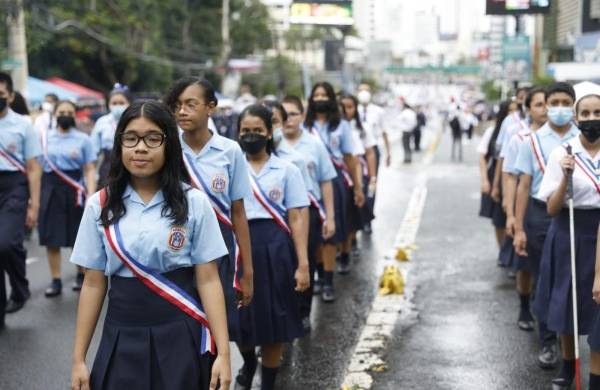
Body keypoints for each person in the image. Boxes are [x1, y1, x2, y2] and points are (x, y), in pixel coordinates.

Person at [69, 100, 231, 390]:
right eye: (131, 138)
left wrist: (225, 355)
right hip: (120, 334)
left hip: (180, 332)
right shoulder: (99, 206)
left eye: (153, 138)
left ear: (169, 144)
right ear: (119, 144)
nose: (140, 147)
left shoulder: (193, 203)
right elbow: (93, 283)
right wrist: (79, 359)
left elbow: (208, 279)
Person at [164, 77, 254, 345]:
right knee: (183, 325)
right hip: (177, 247)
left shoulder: (230, 151)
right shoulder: (167, 148)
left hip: (220, 252)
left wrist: (247, 272)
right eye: (178, 105)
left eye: (190, 104)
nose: (182, 111)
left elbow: (238, 212)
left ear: (210, 108)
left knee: (218, 328)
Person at [234, 104, 309, 390]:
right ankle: (248, 361)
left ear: (269, 133)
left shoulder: (287, 169)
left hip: (276, 249)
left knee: (274, 320)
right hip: (239, 248)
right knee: (240, 317)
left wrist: (302, 264)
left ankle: (267, 383)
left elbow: (297, 217)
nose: (251, 136)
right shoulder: (230, 167)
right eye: (245, 131)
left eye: (257, 131)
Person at [534, 93, 600, 389]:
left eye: (597, 112)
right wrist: (566, 176)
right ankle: (568, 364)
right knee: (567, 298)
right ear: (576, 117)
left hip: (599, 233)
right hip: (569, 228)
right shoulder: (563, 151)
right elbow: (551, 207)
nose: (591, 118)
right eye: (584, 113)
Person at [514, 82, 580, 369]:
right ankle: (547, 342)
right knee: (546, 278)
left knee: (574, 279)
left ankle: (574, 345)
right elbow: (523, 184)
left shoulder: (586, 137)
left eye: (567, 102)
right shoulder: (533, 140)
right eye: (555, 102)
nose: (561, 108)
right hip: (540, 213)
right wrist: (517, 227)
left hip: (577, 214)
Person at [281, 95, 337, 331]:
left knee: (306, 262)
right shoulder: (272, 142)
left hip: (307, 212)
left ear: (303, 116)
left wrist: (330, 217)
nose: (288, 119)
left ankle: (304, 311)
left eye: (293, 114)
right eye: (283, 115)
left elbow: (325, 181)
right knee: (282, 264)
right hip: (279, 213)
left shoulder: (314, 144)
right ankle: (285, 311)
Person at [303, 82, 362, 301]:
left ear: (330, 98)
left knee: (330, 232)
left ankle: (328, 281)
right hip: (309, 184)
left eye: (323, 95)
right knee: (314, 235)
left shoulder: (341, 126)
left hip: (335, 182)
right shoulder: (304, 126)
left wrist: (357, 187)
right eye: (316, 95)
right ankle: (318, 274)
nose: (320, 98)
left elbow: (349, 158)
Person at [499, 87, 548, 331]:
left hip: (553, 209)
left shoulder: (566, 138)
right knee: (526, 263)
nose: (545, 109)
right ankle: (524, 306)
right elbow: (510, 176)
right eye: (538, 104)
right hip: (526, 206)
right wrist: (510, 213)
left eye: (546, 104)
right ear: (528, 109)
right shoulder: (520, 138)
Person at [37, 100, 96, 297]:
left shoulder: (83, 139)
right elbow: (36, 169)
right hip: (50, 188)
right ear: (55, 114)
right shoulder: (44, 138)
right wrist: (34, 198)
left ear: (75, 115)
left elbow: (89, 168)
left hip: (75, 190)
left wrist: (91, 195)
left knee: (77, 234)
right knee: (51, 236)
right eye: (62, 111)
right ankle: (55, 280)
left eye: (70, 112)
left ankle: (80, 274)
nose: (65, 115)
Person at [0, 72, 42, 323]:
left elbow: (34, 167)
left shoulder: (24, 125)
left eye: (1, 95)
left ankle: (20, 288)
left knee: (5, 244)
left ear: (11, 96)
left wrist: (34, 205)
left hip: (14, 186)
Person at [339, 94, 376, 260]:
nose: (346, 110)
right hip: (340, 172)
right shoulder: (333, 128)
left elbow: (369, 152)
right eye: (343, 107)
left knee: (355, 208)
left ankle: (352, 241)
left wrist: (373, 176)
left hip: (358, 170)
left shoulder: (361, 128)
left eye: (350, 107)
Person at [477, 101, 512, 252]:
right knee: (499, 218)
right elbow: (482, 157)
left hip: (513, 177)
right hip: (496, 177)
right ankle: (502, 252)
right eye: (510, 111)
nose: (514, 115)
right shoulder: (492, 132)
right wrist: (485, 181)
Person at [357, 83, 391, 233]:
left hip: (372, 151)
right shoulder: (353, 110)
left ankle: (368, 219)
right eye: (361, 90)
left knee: (371, 184)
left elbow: (384, 132)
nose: (364, 93)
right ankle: (359, 218)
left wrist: (389, 152)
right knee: (358, 185)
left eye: (366, 90)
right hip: (357, 152)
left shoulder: (378, 111)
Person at [91, 83, 131, 187]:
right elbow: (93, 152)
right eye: (114, 103)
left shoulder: (134, 121)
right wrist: (93, 174)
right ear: (109, 104)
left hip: (131, 166)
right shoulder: (102, 122)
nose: (118, 106)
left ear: (129, 103)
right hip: (107, 168)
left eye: (121, 103)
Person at [397, 98, 418, 164]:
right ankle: (409, 157)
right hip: (411, 130)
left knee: (405, 145)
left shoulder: (404, 112)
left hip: (405, 131)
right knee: (409, 144)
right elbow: (415, 122)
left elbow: (398, 120)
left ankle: (407, 158)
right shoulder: (412, 113)